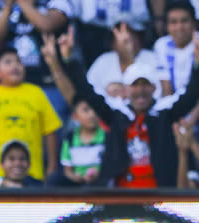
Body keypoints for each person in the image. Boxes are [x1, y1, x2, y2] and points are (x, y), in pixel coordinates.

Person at [57, 29, 199, 188]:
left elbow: (191, 95)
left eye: (145, 84)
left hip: (160, 193)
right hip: (121, 195)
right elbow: (87, 91)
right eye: (134, 85)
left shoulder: (165, 110)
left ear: (154, 87)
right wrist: (69, 59)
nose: (140, 90)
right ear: (126, 89)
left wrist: (197, 63)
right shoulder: (116, 111)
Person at [0, 47, 62, 183]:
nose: (15, 66)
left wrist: (52, 168)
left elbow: (50, 132)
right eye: (8, 62)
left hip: (33, 174)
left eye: (18, 62)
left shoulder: (36, 93)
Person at [155, 0, 199, 97]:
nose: (179, 27)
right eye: (173, 22)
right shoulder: (161, 45)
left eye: (184, 21)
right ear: (167, 26)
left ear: (194, 23)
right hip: (174, 105)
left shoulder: (198, 43)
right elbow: (166, 89)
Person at [60, 99, 106, 186]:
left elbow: (112, 167)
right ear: (75, 117)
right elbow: (67, 172)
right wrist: (74, 177)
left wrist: (98, 174)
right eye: (86, 110)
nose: (92, 114)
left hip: (101, 183)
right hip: (77, 185)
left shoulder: (107, 137)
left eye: (95, 109)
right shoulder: (69, 139)